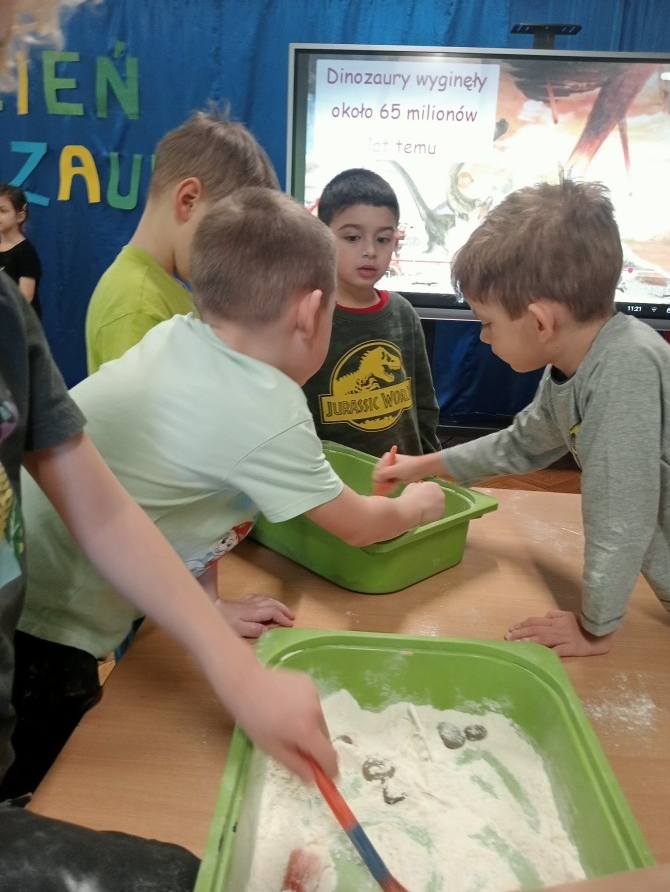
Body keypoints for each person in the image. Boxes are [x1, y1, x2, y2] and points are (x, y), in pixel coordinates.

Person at [7, 186, 445, 800]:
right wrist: (420, 504)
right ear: (311, 312)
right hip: (50, 627)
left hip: (24, 577)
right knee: (45, 779)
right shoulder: (266, 405)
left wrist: (209, 607)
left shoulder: (181, 336)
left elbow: (185, 501)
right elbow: (359, 526)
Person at [373, 177, 670, 658]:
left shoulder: (625, 370)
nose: (484, 337)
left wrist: (595, 628)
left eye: (487, 323)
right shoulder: (578, 363)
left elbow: (620, 514)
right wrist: (422, 466)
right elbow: (521, 444)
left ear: (540, 321)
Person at [84, 104, 279, 374]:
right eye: (229, 239)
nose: (231, 262)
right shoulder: (137, 304)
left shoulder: (164, 289)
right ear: (188, 201)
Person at [302, 168, 441, 457]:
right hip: (334, 480)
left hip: (403, 475)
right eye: (353, 238)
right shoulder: (308, 315)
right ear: (321, 236)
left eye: (383, 239)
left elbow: (424, 404)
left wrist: (428, 465)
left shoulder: (403, 313)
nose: (370, 251)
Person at [0, 183, 43, 318]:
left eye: (2, 211)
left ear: (20, 216)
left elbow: (25, 298)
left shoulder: (25, 252)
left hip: (20, 324)